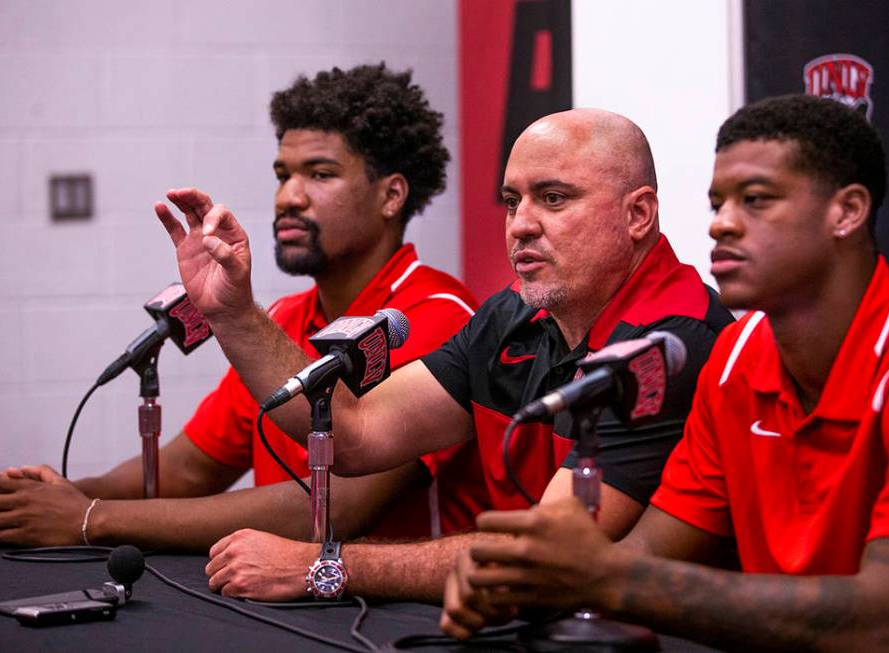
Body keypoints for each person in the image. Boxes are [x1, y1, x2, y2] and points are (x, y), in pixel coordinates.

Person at [444, 95, 889, 651]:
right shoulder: (736, 357)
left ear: (846, 212)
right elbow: (650, 552)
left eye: (756, 201)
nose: (721, 224)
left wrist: (605, 576)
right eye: (717, 202)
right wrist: (524, 574)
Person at [174, 107, 732, 603]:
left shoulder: (671, 341)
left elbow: (552, 548)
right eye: (513, 201)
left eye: (554, 198)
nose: (521, 224)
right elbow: (356, 432)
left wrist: (327, 565)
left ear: (638, 215)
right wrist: (234, 313)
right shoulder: (511, 317)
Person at [0, 64, 488, 552]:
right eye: (282, 175)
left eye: (320, 174)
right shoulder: (282, 319)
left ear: (391, 195)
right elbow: (192, 468)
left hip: (390, 618)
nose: (287, 198)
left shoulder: (434, 313)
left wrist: (91, 518)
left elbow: (340, 504)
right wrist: (45, 501)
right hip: (282, 599)